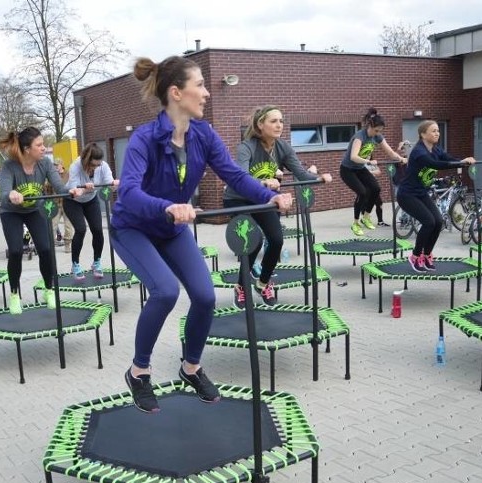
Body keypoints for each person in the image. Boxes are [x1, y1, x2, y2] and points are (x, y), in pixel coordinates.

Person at [111, 55, 292, 413]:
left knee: (206, 297)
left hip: (172, 228)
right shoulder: (145, 139)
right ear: (177, 93)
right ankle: (139, 371)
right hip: (133, 227)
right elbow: (128, 192)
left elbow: (235, 176)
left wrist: (270, 196)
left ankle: (190, 367)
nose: (207, 93)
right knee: (164, 290)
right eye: (200, 86)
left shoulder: (203, 135)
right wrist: (167, 206)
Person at [224, 105, 332, 308]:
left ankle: (263, 283)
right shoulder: (246, 147)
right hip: (238, 198)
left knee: (276, 239)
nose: (279, 125)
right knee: (252, 242)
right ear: (260, 125)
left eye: (281, 121)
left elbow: (301, 173)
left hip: (263, 199)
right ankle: (241, 287)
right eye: (273, 121)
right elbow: (241, 176)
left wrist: (318, 177)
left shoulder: (283, 147)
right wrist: (264, 182)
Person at [0, 126, 62, 314]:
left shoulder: (45, 164)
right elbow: (3, 193)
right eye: (39, 145)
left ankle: (49, 289)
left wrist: (74, 190)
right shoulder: (10, 166)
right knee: (16, 251)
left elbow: (59, 185)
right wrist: (11, 193)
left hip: (35, 210)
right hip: (11, 212)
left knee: (46, 248)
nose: (44, 148)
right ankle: (15, 294)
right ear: (27, 149)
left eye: (43, 144)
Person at [396, 120, 475, 273]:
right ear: (423, 134)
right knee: (428, 222)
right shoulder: (419, 152)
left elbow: (447, 158)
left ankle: (426, 255)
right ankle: (415, 256)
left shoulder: (436, 149)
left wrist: (463, 161)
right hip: (407, 194)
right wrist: (460, 163)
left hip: (421, 193)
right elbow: (436, 165)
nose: (437, 133)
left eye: (438, 130)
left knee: (438, 222)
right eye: (433, 131)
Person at [340, 108, 407, 236]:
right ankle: (355, 223)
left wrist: (401, 158)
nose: (377, 133)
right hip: (347, 170)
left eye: (380, 131)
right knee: (362, 192)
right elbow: (353, 157)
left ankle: (366, 217)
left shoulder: (377, 137)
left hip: (359, 169)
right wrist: (368, 161)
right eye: (376, 130)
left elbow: (390, 153)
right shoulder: (360, 137)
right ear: (370, 126)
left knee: (375, 189)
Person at [65, 143, 119, 280]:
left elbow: (109, 184)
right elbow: (74, 191)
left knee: (97, 229)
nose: (95, 168)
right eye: (93, 165)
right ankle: (75, 264)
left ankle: (96, 262)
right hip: (73, 201)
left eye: (97, 165)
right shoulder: (75, 166)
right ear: (85, 161)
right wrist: (84, 189)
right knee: (81, 229)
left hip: (91, 200)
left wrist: (115, 185)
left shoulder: (103, 166)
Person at [49, 158, 74, 253]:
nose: (55, 167)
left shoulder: (68, 174)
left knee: (68, 225)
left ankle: (67, 244)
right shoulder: (51, 175)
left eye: (56, 165)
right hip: (55, 204)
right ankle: (51, 244)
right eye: (54, 165)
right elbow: (47, 189)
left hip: (67, 203)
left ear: (61, 165)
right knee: (52, 225)